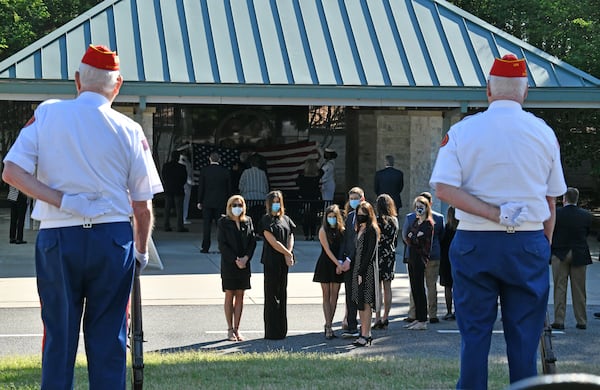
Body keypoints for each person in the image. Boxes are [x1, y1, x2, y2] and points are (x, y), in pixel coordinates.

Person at [2, 44, 163, 389]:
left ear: (77, 80)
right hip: (112, 239)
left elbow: (12, 172)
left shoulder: (47, 114)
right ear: (117, 85)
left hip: (59, 236)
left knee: (59, 336)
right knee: (109, 339)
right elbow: (142, 204)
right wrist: (140, 251)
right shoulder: (130, 129)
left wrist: (63, 200)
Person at [429, 53, 567, 388]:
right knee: (524, 337)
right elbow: (552, 198)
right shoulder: (543, 133)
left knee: (474, 335)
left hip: (475, 242)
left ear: (488, 90)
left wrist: (491, 214)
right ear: (526, 91)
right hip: (528, 240)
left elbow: (443, 187)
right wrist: (541, 242)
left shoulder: (463, 131)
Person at [550, 187, 592, 330]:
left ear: (564, 199)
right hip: (579, 253)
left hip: (560, 253)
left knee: (559, 287)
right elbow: (587, 233)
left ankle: (559, 320)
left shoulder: (556, 213)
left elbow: (551, 231)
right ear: (577, 199)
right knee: (579, 288)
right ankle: (581, 320)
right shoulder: (586, 215)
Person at [217, 195, 257, 341]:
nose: (237, 207)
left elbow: (253, 242)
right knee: (229, 294)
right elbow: (222, 244)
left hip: (244, 264)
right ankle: (229, 329)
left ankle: (237, 329)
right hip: (229, 264)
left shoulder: (248, 221)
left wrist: (246, 258)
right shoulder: (223, 222)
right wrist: (235, 260)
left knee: (240, 295)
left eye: (239, 205)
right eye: (234, 205)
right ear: (229, 206)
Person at [402, 191, 444, 323]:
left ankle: (413, 313)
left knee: (417, 285)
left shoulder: (413, 218)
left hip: (423, 254)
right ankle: (432, 314)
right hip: (432, 254)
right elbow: (441, 236)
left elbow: (406, 236)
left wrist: (413, 238)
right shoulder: (439, 218)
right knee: (430, 285)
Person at [260, 190, 295, 339]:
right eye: (273, 202)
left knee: (283, 293)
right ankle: (272, 331)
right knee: (271, 295)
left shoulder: (286, 219)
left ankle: (282, 330)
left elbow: (291, 235)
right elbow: (273, 241)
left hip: (284, 262)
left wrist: (289, 252)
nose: (276, 204)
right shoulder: (266, 220)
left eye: (278, 201)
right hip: (271, 261)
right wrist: (287, 254)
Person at [312, 204, 345, 339]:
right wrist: (338, 263)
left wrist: (340, 264)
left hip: (338, 264)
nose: (331, 219)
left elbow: (343, 248)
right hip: (326, 264)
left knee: (335, 295)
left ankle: (330, 323)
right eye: (329, 217)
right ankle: (328, 325)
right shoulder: (323, 231)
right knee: (326, 295)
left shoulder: (342, 230)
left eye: (333, 217)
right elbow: (327, 250)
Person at [351, 201, 380, 346]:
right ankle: (362, 331)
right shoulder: (359, 229)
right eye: (359, 214)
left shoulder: (371, 230)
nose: (360, 216)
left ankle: (366, 334)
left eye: (363, 214)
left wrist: (361, 272)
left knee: (366, 302)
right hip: (357, 269)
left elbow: (370, 253)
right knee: (359, 303)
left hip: (367, 271)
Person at [338, 186, 365, 338]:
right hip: (347, 262)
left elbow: (358, 242)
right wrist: (341, 259)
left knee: (359, 295)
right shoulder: (349, 217)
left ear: (362, 199)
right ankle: (351, 325)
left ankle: (362, 327)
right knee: (349, 294)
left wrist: (349, 259)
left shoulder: (365, 217)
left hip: (358, 262)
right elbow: (346, 240)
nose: (354, 201)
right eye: (351, 198)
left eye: (356, 198)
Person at [404, 196, 434, 331]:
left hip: (420, 259)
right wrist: (413, 237)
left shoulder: (428, 224)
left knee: (420, 288)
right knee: (414, 288)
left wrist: (413, 237)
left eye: (421, 206)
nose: (418, 209)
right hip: (412, 258)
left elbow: (417, 240)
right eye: (416, 206)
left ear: (426, 207)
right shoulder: (415, 222)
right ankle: (417, 317)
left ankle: (423, 319)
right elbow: (408, 237)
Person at [373, 194, 398, 330]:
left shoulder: (375, 220)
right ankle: (386, 316)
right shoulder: (394, 220)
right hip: (389, 254)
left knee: (377, 288)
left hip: (377, 254)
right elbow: (396, 238)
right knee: (387, 287)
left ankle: (377, 317)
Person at [197, 152, 231, 253]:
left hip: (207, 202)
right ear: (219, 159)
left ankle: (205, 247)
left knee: (206, 225)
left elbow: (201, 187)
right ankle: (222, 247)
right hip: (221, 202)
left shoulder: (205, 171)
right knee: (221, 226)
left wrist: (199, 200)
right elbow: (229, 188)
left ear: (210, 159)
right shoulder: (225, 171)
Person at [162, 150, 189, 232]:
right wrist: (180, 184)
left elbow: (163, 176)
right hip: (178, 189)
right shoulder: (182, 167)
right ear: (178, 158)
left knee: (167, 208)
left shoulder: (166, 166)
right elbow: (184, 178)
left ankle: (166, 225)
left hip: (168, 189)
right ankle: (179, 226)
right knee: (179, 209)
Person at [239, 155, 269, 227]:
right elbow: (266, 187)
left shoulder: (245, 172)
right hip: (261, 199)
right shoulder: (262, 173)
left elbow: (240, 186)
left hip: (248, 199)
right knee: (260, 214)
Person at [439, 206, 458, 321]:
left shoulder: (446, 229)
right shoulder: (460, 229)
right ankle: (458, 310)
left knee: (447, 287)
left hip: (446, 260)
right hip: (459, 261)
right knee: (458, 287)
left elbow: (441, 243)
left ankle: (449, 311)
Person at [296, 159, 322, 240]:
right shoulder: (317, 177)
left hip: (304, 200)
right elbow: (322, 172)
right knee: (313, 218)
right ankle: (313, 235)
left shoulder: (301, 177)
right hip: (314, 199)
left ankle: (306, 235)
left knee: (305, 218)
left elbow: (297, 184)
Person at [178, 150, 194, 224]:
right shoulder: (183, 161)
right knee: (184, 202)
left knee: (185, 202)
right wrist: (190, 181)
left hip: (187, 184)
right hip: (185, 184)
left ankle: (184, 217)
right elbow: (185, 173)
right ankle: (183, 217)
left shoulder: (186, 161)